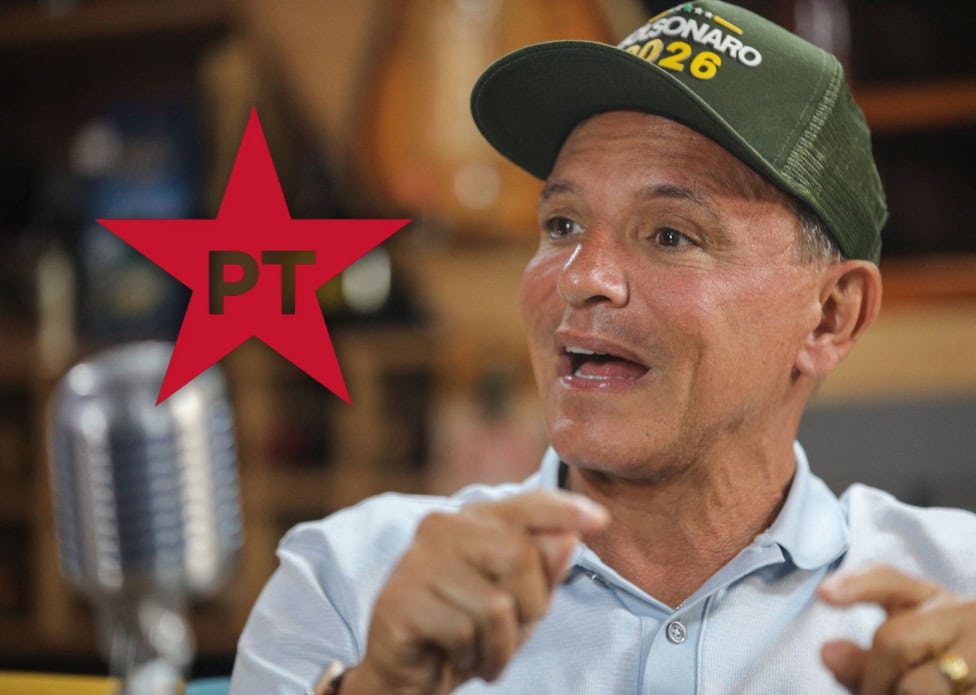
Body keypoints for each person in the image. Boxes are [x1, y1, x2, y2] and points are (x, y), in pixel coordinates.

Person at [230, 1, 976, 693]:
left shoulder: (957, 598)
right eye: (562, 225)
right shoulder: (350, 582)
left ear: (831, 318)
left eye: (671, 235)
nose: (581, 276)